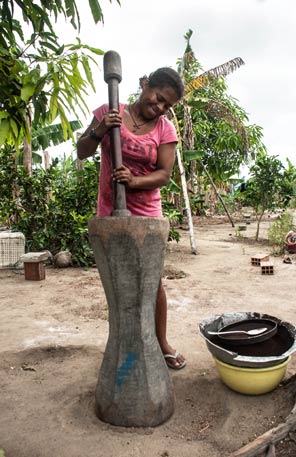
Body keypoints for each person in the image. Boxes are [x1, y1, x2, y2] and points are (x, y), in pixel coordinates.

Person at [77, 67, 186, 369]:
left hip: (147, 211)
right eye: (159, 98)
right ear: (145, 84)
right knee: (119, 281)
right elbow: (82, 151)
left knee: (153, 282)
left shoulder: (165, 130)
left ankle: (160, 343)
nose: (160, 107)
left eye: (167, 106)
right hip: (112, 209)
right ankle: (123, 343)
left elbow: (163, 175)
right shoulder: (108, 113)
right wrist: (99, 130)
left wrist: (133, 181)